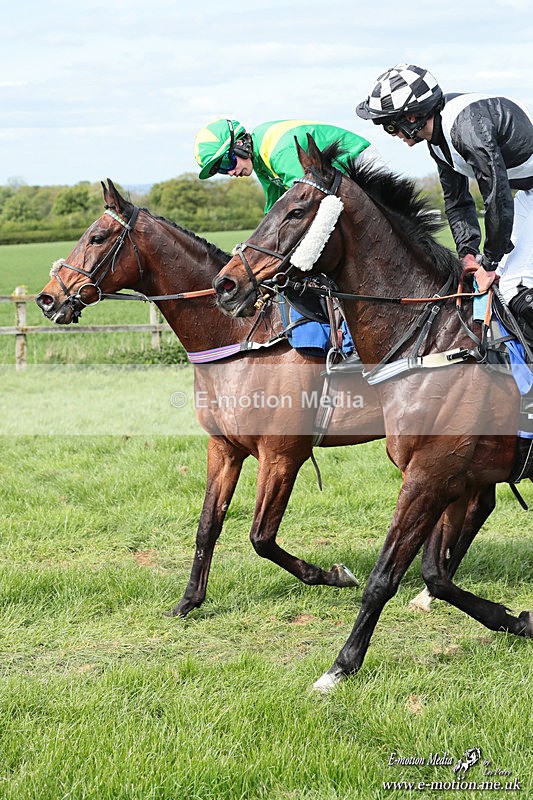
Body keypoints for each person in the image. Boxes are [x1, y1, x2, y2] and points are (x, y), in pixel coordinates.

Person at [355, 63, 533, 323]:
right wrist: (468, 253)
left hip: (521, 195)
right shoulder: (438, 142)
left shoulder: (466, 129)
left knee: (514, 287)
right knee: (501, 277)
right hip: (528, 194)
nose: (392, 135)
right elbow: (457, 201)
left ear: (411, 117)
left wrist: (489, 264)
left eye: (389, 126)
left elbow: (497, 197)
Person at [194, 117, 377, 213]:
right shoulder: (259, 157)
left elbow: (306, 201)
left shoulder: (277, 152)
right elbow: (275, 206)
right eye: (222, 171)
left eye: (227, 163)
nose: (231, 172)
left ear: (240, 145)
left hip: (359, 163)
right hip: (336, 179)